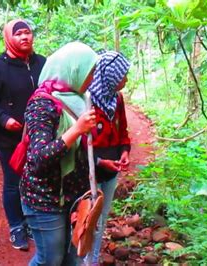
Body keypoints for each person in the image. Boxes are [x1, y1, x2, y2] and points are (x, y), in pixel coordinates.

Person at [20, 42, 98, 265]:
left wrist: (102, 162)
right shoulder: (42, 104)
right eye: (89, 72)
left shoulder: (80, 100)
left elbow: (79, 153)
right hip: (45, 197)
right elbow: (38, 159)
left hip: (73, 196)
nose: (91, 78)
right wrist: (77, 130)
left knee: (71, 258)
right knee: (50, 260)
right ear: (73, 70)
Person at [0, 19, 46, 251]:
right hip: (10, 138)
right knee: (13, 182)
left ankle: (29, 222)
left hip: (39, 136)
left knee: (34, 180)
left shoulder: (42, 63)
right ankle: (16, 226)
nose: (24, 37)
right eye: (19, 34)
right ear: (9, 38)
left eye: (27, 33)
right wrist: (4, 119)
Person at [86, 51, 131, 265]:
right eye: (123, 75)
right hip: (90, 171)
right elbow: (79, 144)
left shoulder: (117, 99)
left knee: (101, 219)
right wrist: (98, 161)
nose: (126, 80)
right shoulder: (86, 101)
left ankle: (92, 261)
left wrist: (124, 152)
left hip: (111, 172)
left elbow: (123, 130)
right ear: (111, 76)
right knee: (86, 218)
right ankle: (80, 260)